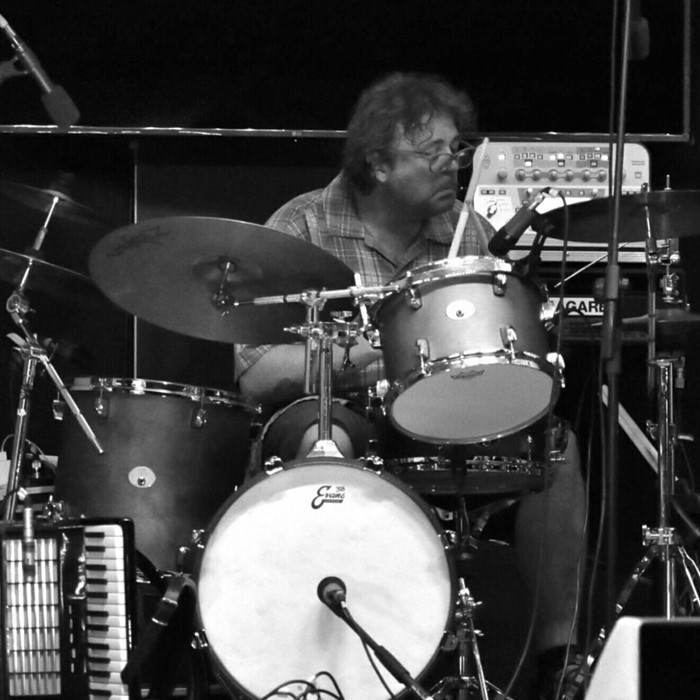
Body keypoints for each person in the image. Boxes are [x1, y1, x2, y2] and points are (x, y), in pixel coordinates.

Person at [236, 72, 587, 700]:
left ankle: (558, 658)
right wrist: (379, 352)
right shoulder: (302, 226)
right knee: (327, 441)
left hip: (445, 414)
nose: (452, 164)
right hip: (339, 415)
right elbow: (255, 373)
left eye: (456, 149)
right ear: (378, 163)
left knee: (555, 445)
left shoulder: (464, 230)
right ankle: (327, 658)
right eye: (432, 152)